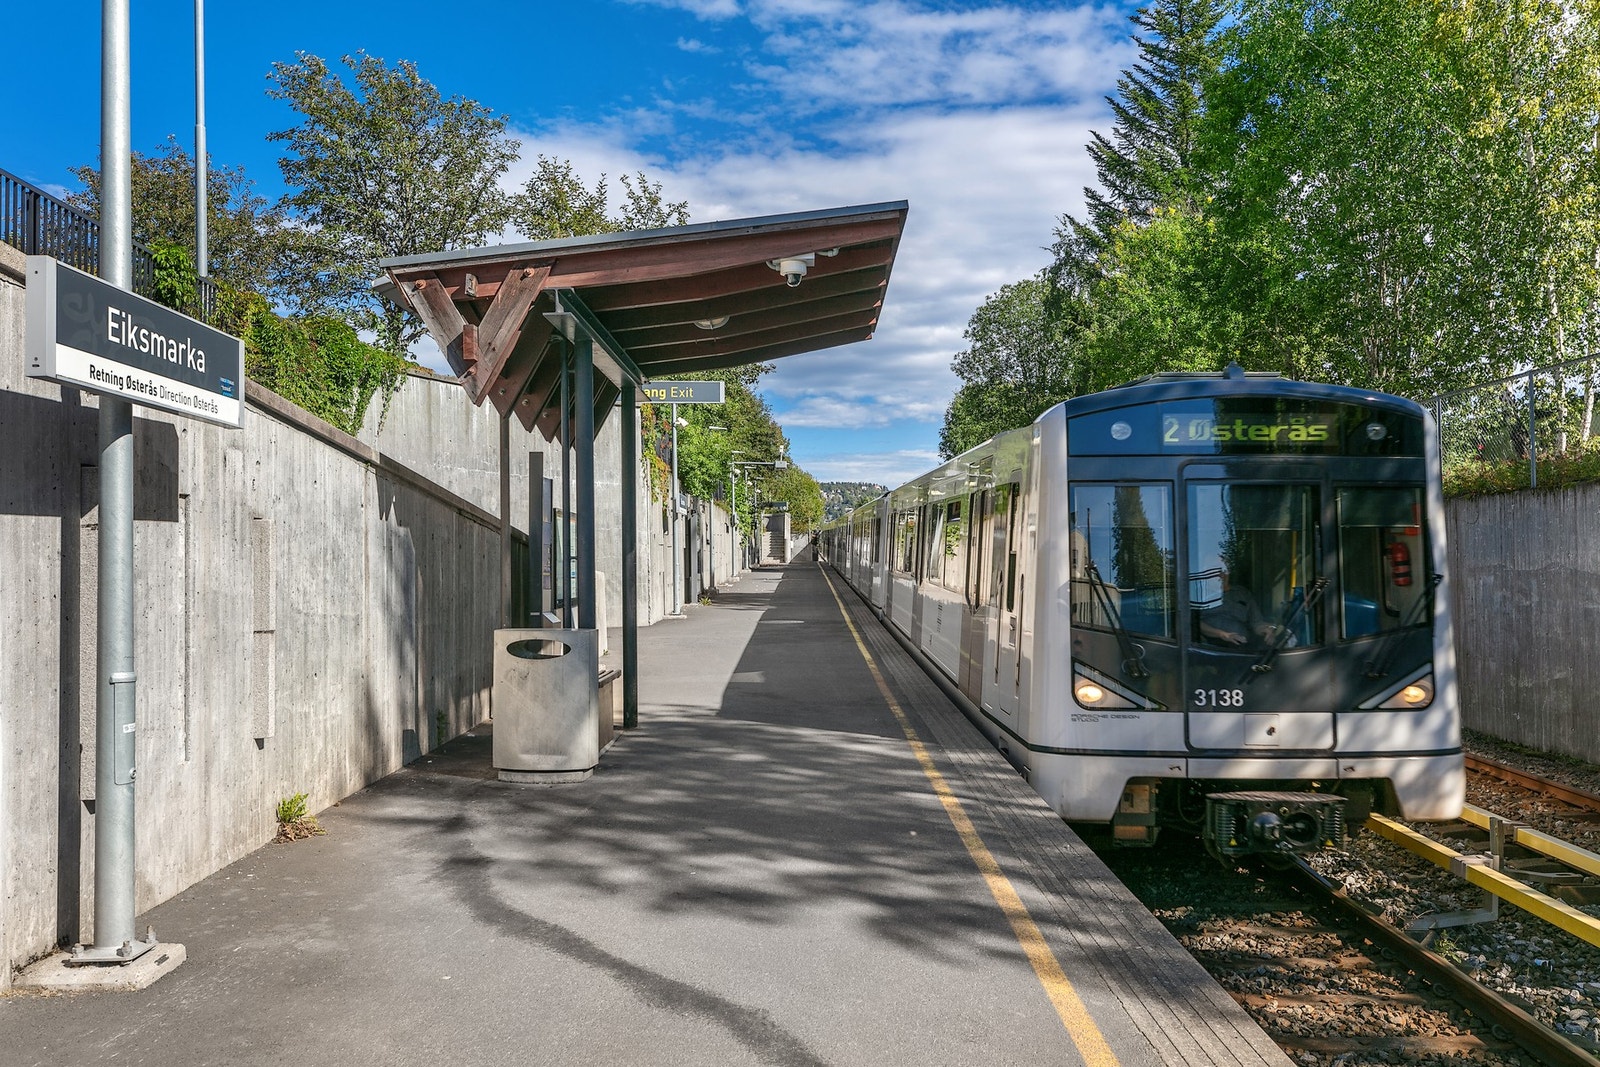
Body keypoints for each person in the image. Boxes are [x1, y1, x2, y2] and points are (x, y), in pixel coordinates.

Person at [1199, 567, 1279, 647]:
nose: (1221, 575)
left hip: (1241, 648)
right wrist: (1221, 634)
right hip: (1209, 647)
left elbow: (1257, 623)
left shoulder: (1242, 593)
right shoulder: (1200, 595)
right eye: (1215, 572)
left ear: (1228, 572)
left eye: (1223, 571)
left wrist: (1266, 630)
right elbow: (1194, 624)